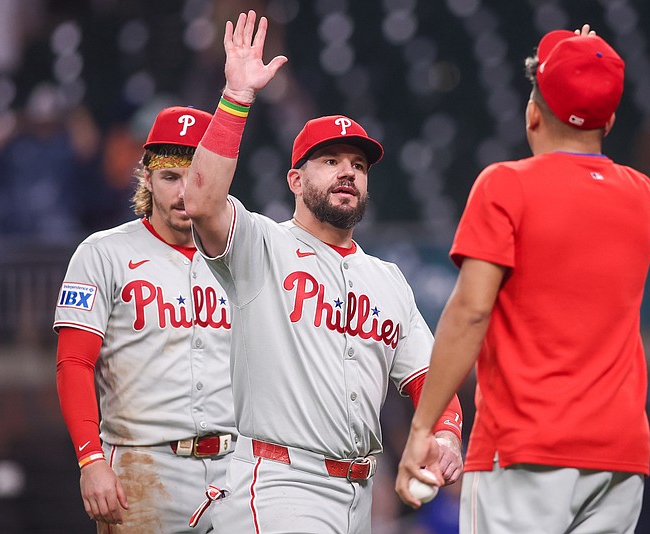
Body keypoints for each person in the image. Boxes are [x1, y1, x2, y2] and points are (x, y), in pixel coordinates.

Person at [182, 11, 464, 533]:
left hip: (359, 493)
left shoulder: (388, 280)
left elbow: (430, 379)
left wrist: (444, 434)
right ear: (295, 178)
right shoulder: (261, 244)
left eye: (357, 164)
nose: (347, 172)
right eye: (329, 160)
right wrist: (236, 97)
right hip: (279, 481)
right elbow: (199, 201)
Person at [395, 24, 650, 533]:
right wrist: (585, 64)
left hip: (525, 451)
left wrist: (423, 427)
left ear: (533, 110)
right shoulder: (643, 195)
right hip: (621, 457)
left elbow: (471, 311)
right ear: (611, 117)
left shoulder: (505, 185)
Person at [53, 105, 236, 531]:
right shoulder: (102, 252)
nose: (183, 192)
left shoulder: (246, 255)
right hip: (143, 466)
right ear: (147, 177)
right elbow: (73, 362)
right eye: (171, 176)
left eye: (197, 177)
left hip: (238, 468)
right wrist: (90, 460)